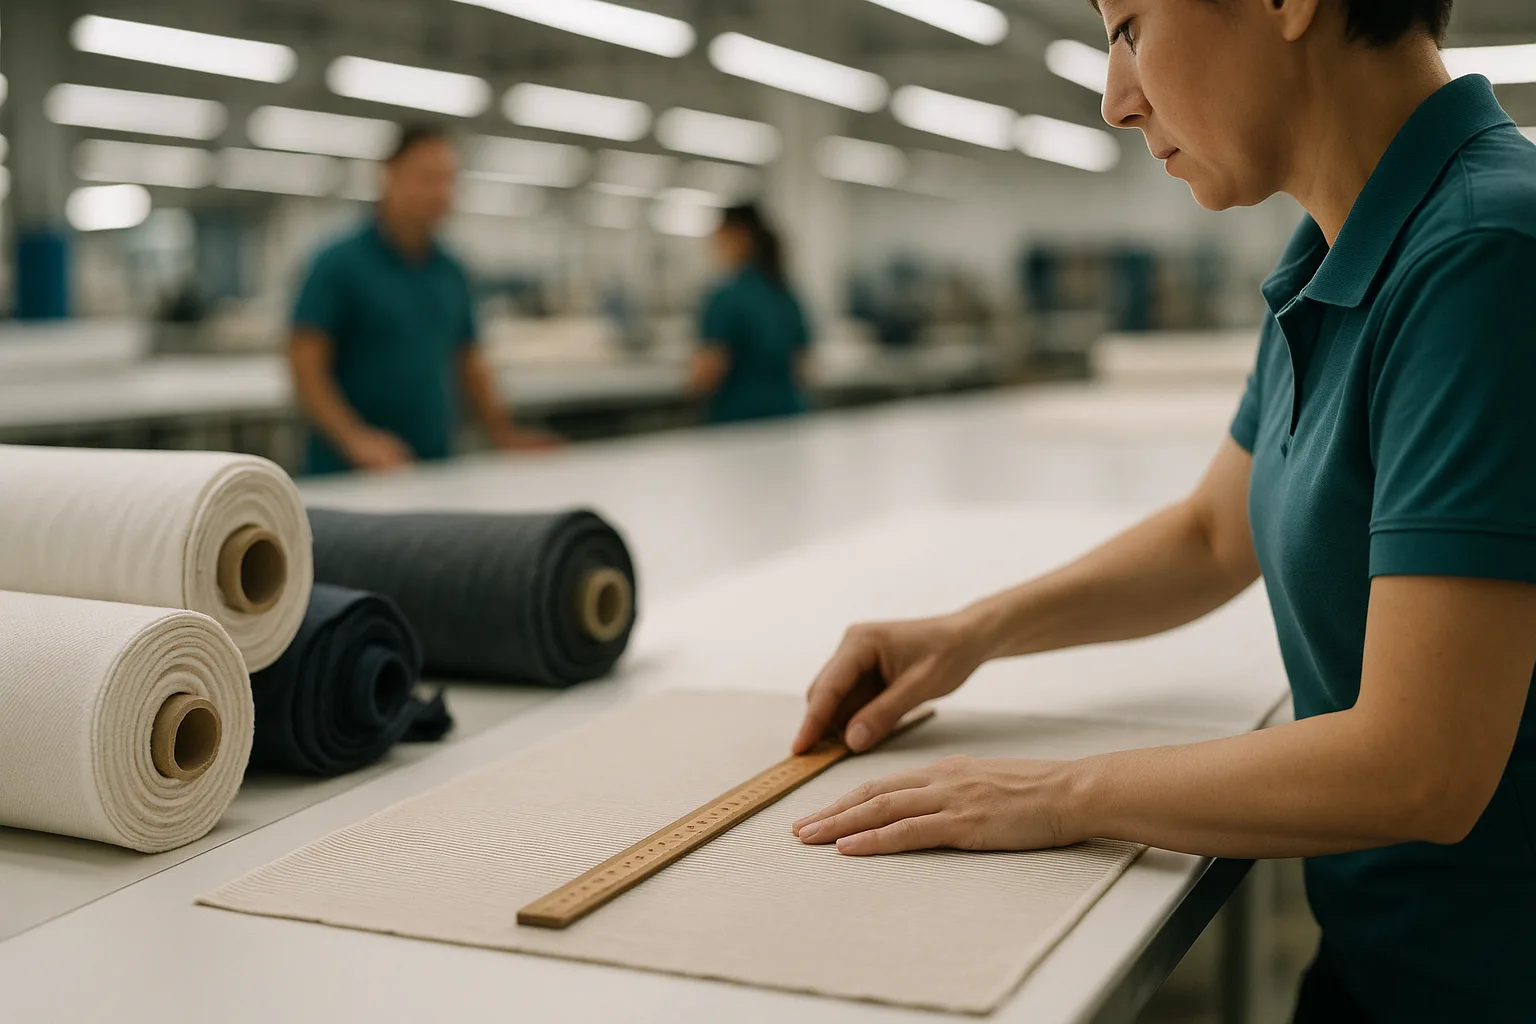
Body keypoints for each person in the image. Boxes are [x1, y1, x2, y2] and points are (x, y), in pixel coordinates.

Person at [789, 1, 1536, 1021]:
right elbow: (1211, 534)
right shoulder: (1339, 252)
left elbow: (1422, 765)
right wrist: (966, 636)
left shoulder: (1486, 255)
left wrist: (1058, 794)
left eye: (1130, 25)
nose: (1115, 100)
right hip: (1389, 961)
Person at [289, 124, 557, 474]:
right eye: (427, 178)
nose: (439, 192)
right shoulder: (337, 264)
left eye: (448, 180)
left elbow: (468, 361)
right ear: (388, 175)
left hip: (434, 466)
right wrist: (356, 440)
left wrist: (504, 433)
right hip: (349, 473)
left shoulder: (451, 271)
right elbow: (305, 367)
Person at [689, 204, 812, 424]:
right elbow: (803, 368)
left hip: (739, 423)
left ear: (740, 237)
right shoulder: (786, 295)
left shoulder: (727, 296)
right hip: (789, 420)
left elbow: (707, 373)